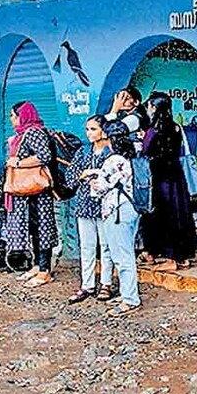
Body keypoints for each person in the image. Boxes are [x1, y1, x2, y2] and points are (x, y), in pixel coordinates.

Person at [141, 92, 197, 272]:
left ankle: (171, 259)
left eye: (150, 106)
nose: (148, 109)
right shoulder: (175, 127)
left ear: (154, 107)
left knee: (164, 216)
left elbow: (146, 151)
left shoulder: (154, 130)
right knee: (181, 214)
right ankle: (183, 257)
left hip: (160, 178)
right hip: (176, 177)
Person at [4, 101, 57, 289]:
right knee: (33, 228)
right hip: (26, 191)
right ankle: (37, 265)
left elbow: (44, 156)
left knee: (42, 228)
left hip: (37, 191)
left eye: (13, 115)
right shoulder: (21, 135)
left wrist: (17, 163)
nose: (11, 119)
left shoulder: (34, 132)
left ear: (22, 116)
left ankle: (45, 271)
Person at [91, 121, 141, 316]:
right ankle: (128, 293)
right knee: (126, 251)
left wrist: (93, 179)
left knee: (122, 256)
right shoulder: (134, 155)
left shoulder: (112, 161)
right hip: (132, 208)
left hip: (117, 210)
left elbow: (99, 188)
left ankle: (130, 300)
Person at [65, 115, 116, 304]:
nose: (89, 133)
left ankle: (106, 284)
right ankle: (87, 285)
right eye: (87, 129)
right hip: (85, 204)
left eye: (93, 129)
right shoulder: (83, 151)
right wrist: (83, 175)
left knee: (106, 245)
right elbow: (70, 177)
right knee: (86, 246)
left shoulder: (112, 153)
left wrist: (97, 175)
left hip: (105, 205)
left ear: (104, 130)